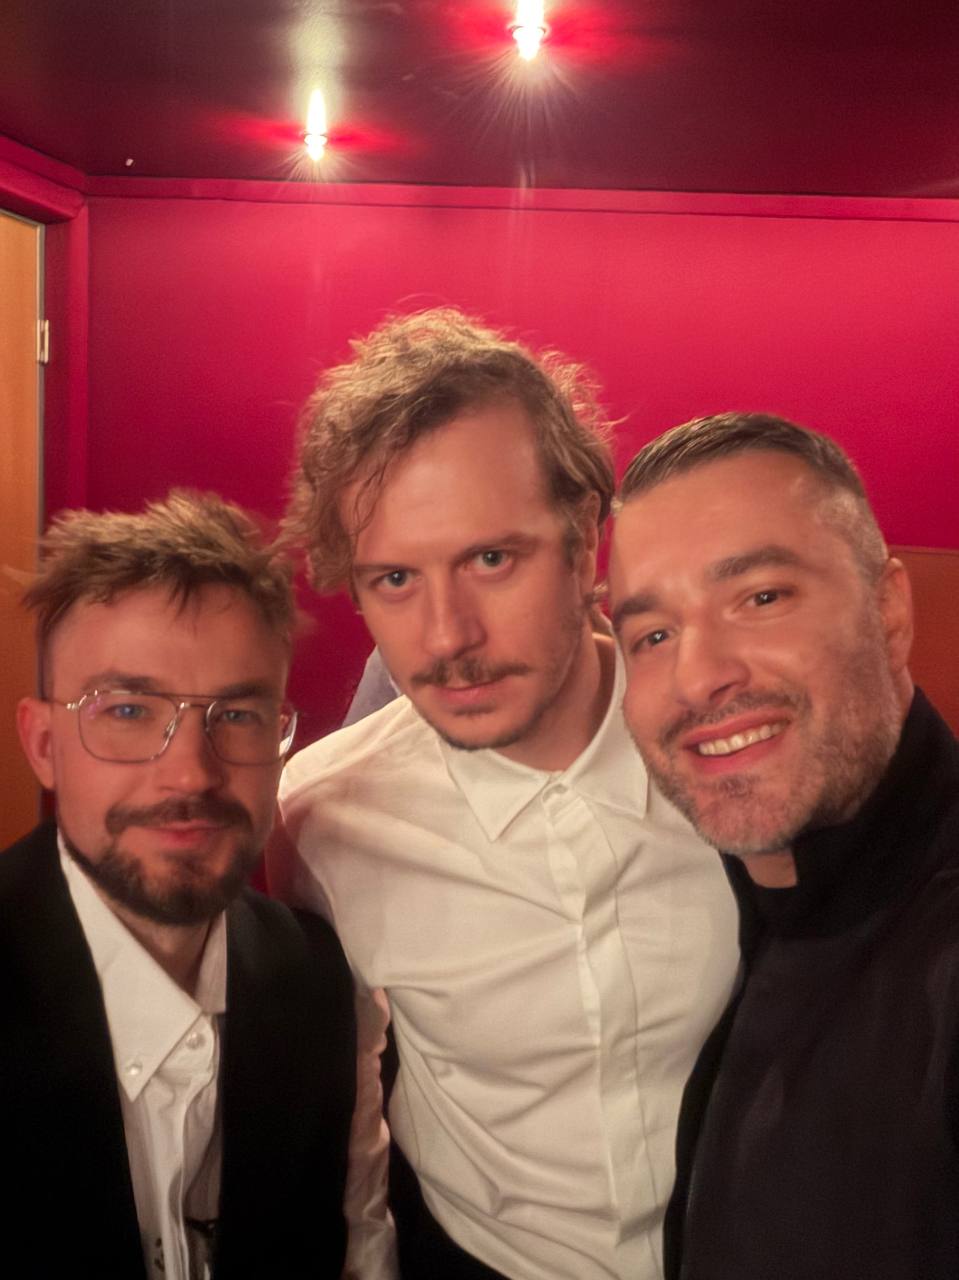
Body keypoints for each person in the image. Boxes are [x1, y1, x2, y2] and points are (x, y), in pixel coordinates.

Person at [269, 308, 739, 1280]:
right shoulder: (317, 816)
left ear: (584, 538)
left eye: (490, 558)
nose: (447, 635)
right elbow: (344, 1084)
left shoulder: (732, 751)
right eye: (394, 578)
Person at [609, 412, 959, 1280]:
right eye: (652, 636)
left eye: (760, 598)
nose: (698, 677)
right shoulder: (762, 894)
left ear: (886, 609)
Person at [5, 490, 356, 1280]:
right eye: (128, 710)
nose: (191, 773)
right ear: (44, 745)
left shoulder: (317, 981)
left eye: (236, 716)